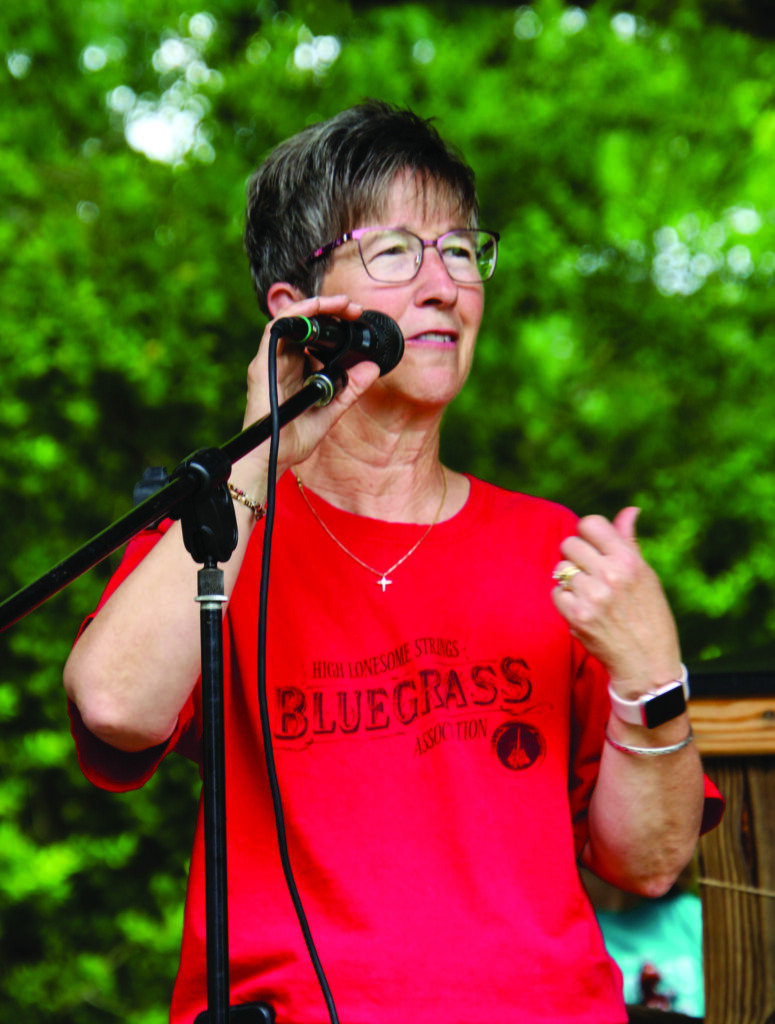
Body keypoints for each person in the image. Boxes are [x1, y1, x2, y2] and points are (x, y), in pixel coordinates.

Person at [63, 100, 723, 1024]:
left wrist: (651, 675)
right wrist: (260, 449)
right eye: (395, 252)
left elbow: (648, 863)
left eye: (459, 251)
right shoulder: (220, 526)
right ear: (297, 311)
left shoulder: (553, 550)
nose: (443, 284)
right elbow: (115, 709)